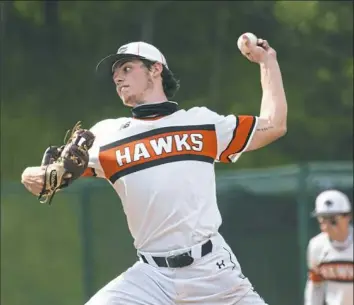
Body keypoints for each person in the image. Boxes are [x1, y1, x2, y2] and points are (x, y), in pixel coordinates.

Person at [21, 36, 287, 305]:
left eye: (127, 68)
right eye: (115, 74)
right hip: (152, 277)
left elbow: (274, 125)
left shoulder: (201, 123)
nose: (118, 78)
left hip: (213, 272)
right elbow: (38, 179)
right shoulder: (106, 135)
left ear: (156, 69)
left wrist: (268, 62)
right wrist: (41, 176)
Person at [305, 189, 353, 305]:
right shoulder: (316, 245)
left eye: (332, 220)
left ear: (348, 217)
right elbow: (316, 285)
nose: (326, 226)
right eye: (322, 219)